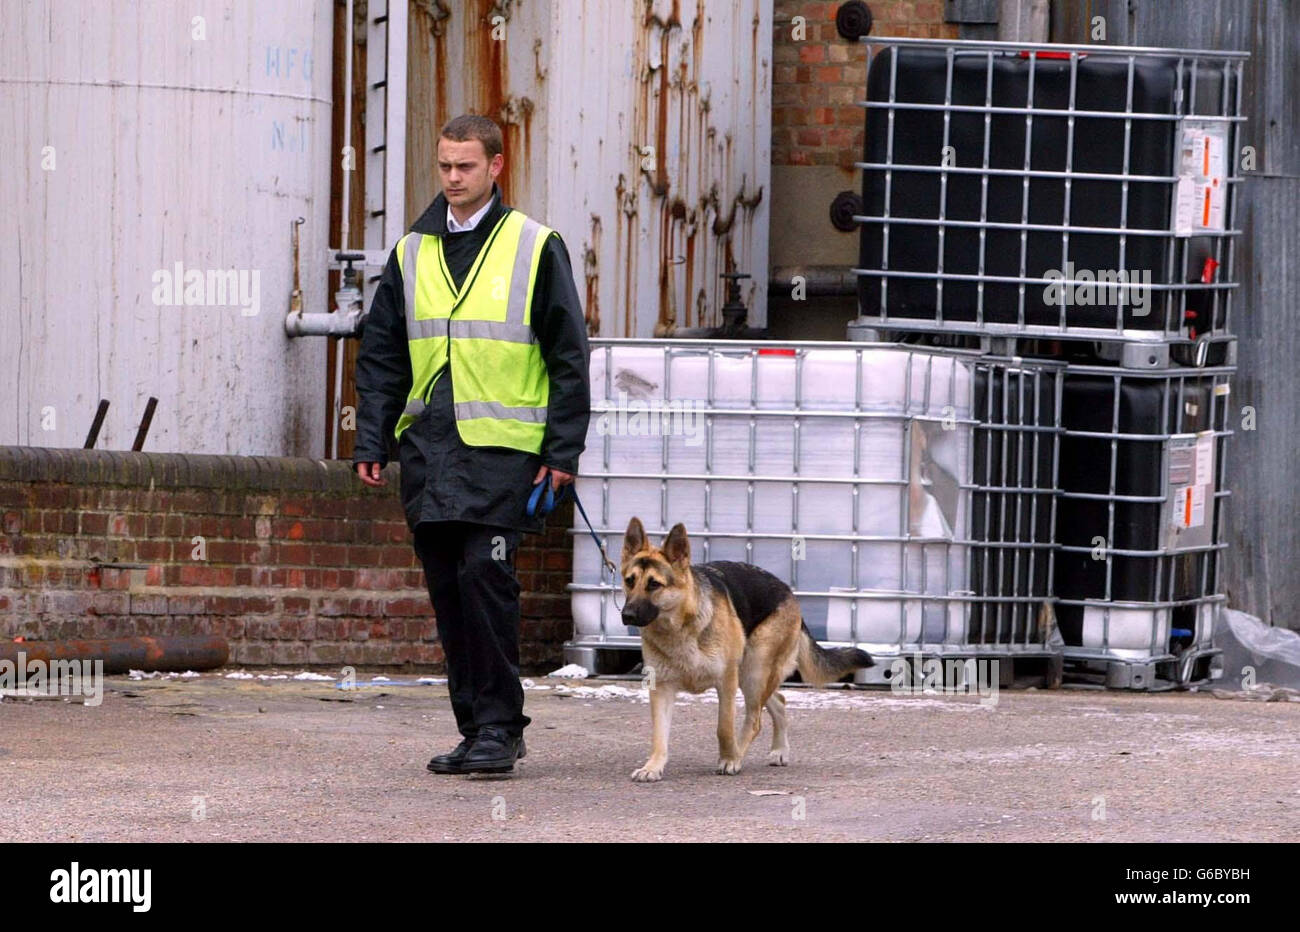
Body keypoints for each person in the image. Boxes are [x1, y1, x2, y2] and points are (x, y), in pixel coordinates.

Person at [352, 114, 590, 775]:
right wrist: (371, 436)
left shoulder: (535, 247)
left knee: (486, 577)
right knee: (450, 589)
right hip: (429, 452)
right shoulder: (411, 252)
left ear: (496, 165)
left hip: (501, 450)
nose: (452, 179)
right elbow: (381, 356)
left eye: (465, 166)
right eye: (445, 166)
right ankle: (476, 729)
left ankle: (499, 727)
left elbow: (569, 353)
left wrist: (561, 452)